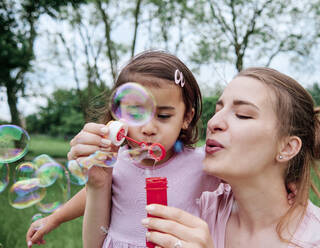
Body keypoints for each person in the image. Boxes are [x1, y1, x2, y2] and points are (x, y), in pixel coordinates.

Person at [141, 67, 320, 247]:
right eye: (218, 109)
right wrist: (103, 182)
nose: (213, 123)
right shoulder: (194, 208)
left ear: (287, 147)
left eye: (242, 115)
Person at [26, 50, 221, 247]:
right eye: (136, 114)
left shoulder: (201, 163)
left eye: (163, 116)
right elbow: (90, 192)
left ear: (186, 118)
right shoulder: (113, 161)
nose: (148, 129)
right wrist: (55, 218)